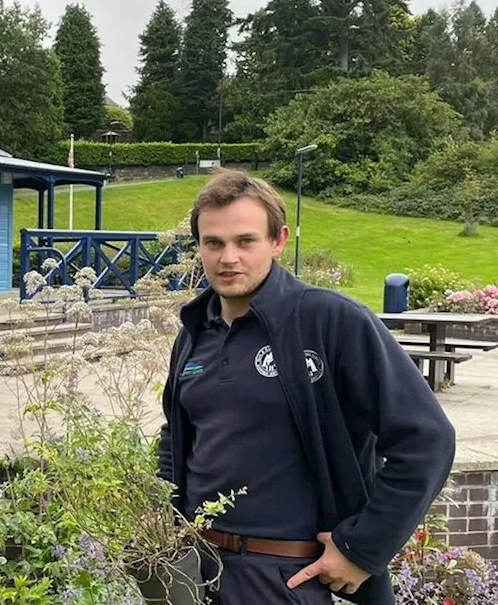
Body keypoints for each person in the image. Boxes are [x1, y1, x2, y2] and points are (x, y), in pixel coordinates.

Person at [157, 170, 455, 605]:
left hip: (290, 578)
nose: (228, 258)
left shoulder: (331, 322)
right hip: (194, 572)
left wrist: (362, 549)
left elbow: (427, 439)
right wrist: (162, 522)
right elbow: (176, 435)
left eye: (245, 241)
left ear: (278, 241)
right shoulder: (194, 332)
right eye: (213, 243)